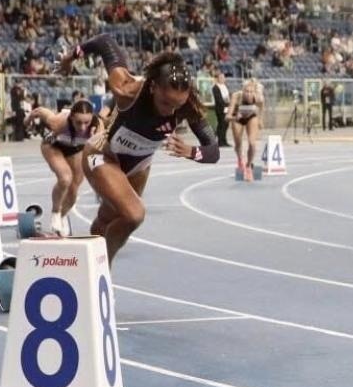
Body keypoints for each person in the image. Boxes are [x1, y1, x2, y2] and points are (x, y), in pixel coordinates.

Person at [62, 35, 220, 264]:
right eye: (166, 103)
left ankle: (83, 265)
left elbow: (213, 151)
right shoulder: (125, 89)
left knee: (108, 218)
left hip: (139, 166)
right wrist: (71, 56)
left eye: (178, 105)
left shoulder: (186, 106)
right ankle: (99, 269)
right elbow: (105, 42)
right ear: (153, 87)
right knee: (134, 214)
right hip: (102, 154)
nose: (171, 111)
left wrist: (191, 152)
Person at [29, 100, 101, 236]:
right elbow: (40, 111)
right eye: (78, 122)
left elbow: (98, 155)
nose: (83, 127)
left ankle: (62, 216)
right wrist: (28, 120)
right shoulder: (58, 121)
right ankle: (55, 212)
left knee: (74, 191)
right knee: (65, 178)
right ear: (71, 117)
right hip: (53, 146)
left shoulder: (97, 128)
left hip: (75, 149)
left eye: (86, 122)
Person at [231, 77, 265, 180]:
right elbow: (227, 117)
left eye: (251, 92)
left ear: (255, 92)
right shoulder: (236, 96)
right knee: (238, 143)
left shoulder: (259, 98)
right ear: (243, 90)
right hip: (238, 117)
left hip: (251, 117)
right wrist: (234, 117)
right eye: (246, 91)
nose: (249, 94)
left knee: (252, 143)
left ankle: (248, 165)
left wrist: (260, 120)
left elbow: (262, 109)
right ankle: (240, 159)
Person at [210, 71, 232, 149]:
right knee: (221, 124)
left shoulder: (224, 86)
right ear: (218, 79)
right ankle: (220, 141)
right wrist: (225, 104)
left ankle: (224, 140)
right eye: (221, 77)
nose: (223, 79)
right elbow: (218, 99)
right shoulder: (215, 87)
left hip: (226, 108)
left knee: (226, 125)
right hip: (221, 109)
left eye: (223, 77)